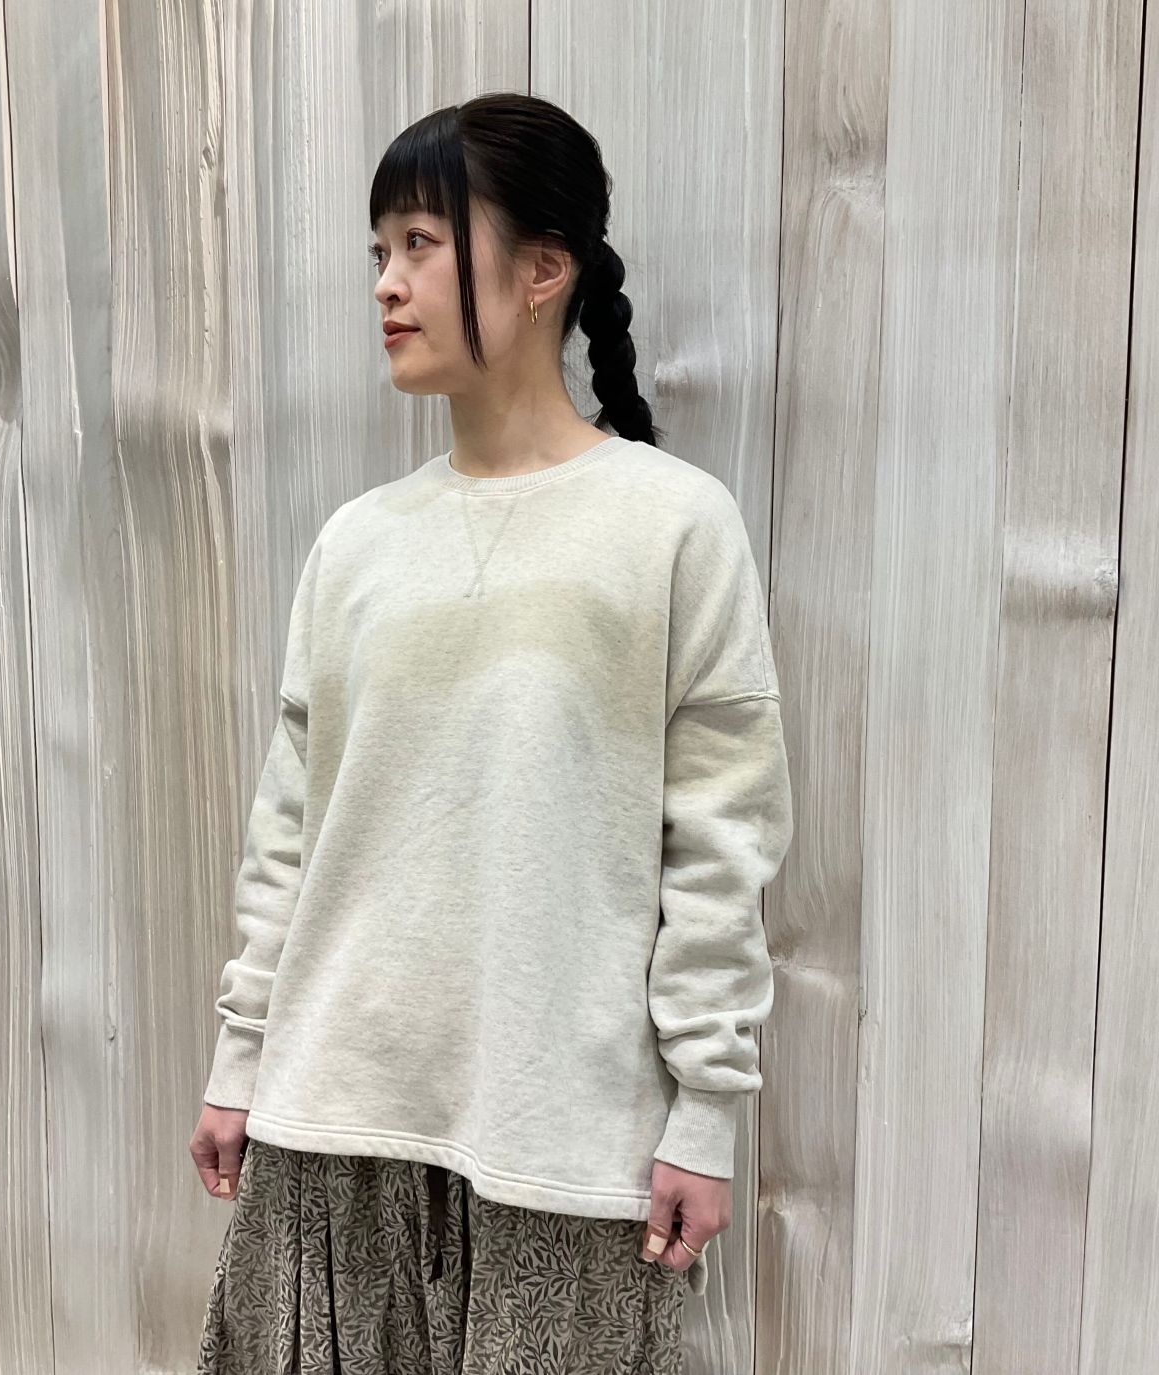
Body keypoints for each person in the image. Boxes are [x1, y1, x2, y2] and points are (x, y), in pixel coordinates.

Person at [190, 91, 794, 1375]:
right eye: (378, 250)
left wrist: (706, 1111)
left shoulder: (670, 524)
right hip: (327, 1119)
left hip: (557, 1140)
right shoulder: (356, 542)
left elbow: (721, 843)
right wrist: (240, 1058)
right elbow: (288, 832)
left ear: (540, 270)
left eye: (419, 242)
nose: (385, 282)